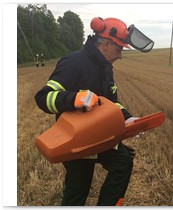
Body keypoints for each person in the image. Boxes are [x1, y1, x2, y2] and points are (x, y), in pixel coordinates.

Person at [34, 17, 154, 206]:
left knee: (123, 162)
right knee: (77, 190)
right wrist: (74, 99)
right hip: (78, 140)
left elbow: (112, 103)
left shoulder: (106, 67)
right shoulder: (73, 63)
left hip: (100, 137)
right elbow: (43, 98)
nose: (121, 55)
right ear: (106, 43)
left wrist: (129, 119)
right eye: (120, 49)